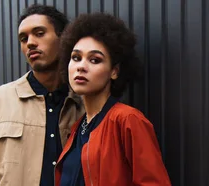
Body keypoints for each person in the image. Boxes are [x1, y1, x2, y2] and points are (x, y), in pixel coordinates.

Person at [0, 4, 84, 186]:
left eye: (39, 33)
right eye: (23, 38)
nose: (30, 43)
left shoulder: (83, 104)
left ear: (63, 38)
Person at [54, 13, 171, 186]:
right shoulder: (78, 128)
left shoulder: (127, 120)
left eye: (95, 60)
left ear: (114, 71)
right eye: (76, 58)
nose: (81, 67)